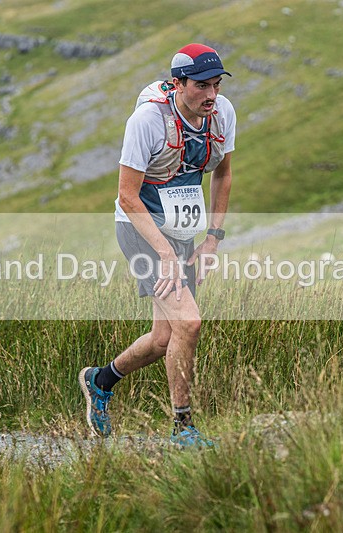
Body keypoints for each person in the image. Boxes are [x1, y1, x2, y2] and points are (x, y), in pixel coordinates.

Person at [79, 43, 236, 448]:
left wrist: (212, 240)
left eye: (216, 85)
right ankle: (183, 427)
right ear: (177, 83)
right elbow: (127, 196)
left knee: (166, 338)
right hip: (139, 229)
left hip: (182, 234)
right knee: (190, 323)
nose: (211, 95)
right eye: (201, 86)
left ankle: (100, 379)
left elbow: (223, 175)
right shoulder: (148, 120)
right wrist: (165, 254)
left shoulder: (222, 114)